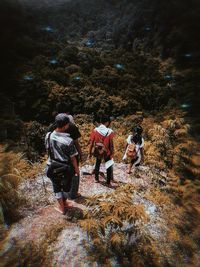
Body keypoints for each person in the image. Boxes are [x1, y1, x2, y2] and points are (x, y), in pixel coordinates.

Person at [45, 114, 79, 214]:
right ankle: (62, 208)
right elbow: (73, 159)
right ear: (64, 126)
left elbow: (47, 149)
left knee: (56, 187)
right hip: (65, 168)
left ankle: (62, 205)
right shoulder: (68, 141)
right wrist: (76, 170)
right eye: (68, 125)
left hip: (52, 165)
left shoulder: (48, 135)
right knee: (64, 186)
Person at [48, 101, 82, 199]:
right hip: (71, 155)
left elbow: (49, 142)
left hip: (55, 156)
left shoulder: (52, 126)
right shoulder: (71, 126)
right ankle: (73, 193)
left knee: (59, 174)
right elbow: (76, 142)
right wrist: (80, 153)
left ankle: (62, 195)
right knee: (74, 173)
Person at [89, 114, 114, 186]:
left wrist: (90, 153)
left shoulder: (95, 130)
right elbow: (111, 144)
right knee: (108, 165)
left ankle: (96, 179)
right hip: (107, 151)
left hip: (98, 150)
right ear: (107, 122)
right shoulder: (110, 131)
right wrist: (112, 153)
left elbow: (91, 143)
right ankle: (108, 182)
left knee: (97, 163)